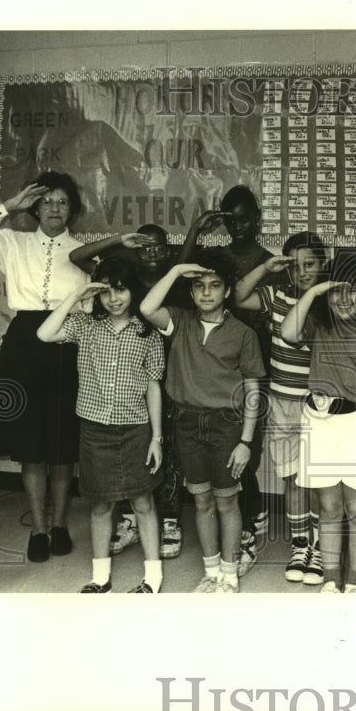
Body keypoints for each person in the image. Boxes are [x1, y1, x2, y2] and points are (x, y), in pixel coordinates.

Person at [0, 172, 90, 563]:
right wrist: (9, 205)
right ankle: (38, 529)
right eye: (46, 201)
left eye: (62, 202)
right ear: (34, 207)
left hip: (67, 344)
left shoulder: (84, 253)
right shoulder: (12, 243)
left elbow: (88, 307)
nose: (54, 208)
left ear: (73, 209)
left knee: (63, 445)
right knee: (32, 446)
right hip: (23, 346)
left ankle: (61, 525)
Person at [36, 257, 165, 593]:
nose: (114, 298)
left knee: (143, 503)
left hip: (136, 428)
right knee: (100, 505)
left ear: (134, 291)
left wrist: (157, 437)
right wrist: (77, 294)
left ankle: (152, 578)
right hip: (95, 430)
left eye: (120, 289)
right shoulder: (85, 325)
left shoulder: (147, 332)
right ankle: (100, 578)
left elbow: (154, 385)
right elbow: (44, 332)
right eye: (106, 291)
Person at [140, 247, 265, 593]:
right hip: (187, 424)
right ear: (191, 291)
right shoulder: (179, 320)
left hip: (227, 425)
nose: (206, 292)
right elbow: (147, 308)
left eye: (214, 285)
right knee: (201, 500)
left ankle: (230, 573)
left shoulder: (243, 334)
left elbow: (253, 390)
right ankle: (211, 573)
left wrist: (245, 442)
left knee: (227, 500)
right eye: (199, 286)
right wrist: (178, 270)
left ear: (227, 290)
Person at [280, 251, 356, 594]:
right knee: (329, 507)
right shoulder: (319, 326)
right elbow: (288, 331)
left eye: (352, 291)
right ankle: (331, 578)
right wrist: (316, 291)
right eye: (336, 291)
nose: (344, 299)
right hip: (319, 422)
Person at [70, 224, 188, 560]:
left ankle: (168, 520)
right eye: (144, 246)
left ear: (169, 251)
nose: (152, 252)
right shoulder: (118, 278)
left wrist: (191, 232)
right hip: (118, 381)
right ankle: (129, 521)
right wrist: (120, 239)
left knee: (161, 454)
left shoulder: (168, 280)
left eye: (159, 247)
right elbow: (75, 256)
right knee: (119, 462)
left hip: (161, 370)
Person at [181, 186, 272, 574]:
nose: (238, 226)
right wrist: (195, 232)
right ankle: (237, 529)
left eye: (245, 218)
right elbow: (178, 278)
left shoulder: (266, 259)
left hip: (251, 355)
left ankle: (248, 527)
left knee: (240, 452)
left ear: (257, 218)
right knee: (218, 458)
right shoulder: (211, 260)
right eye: (230, 219)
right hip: (210, 362)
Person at [232, 231, 329, 586]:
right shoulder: (277, 295)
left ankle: (320, 547)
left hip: (319, 404)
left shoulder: (330, 301)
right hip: (281, 401)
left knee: (319, 479)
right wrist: (265, 267)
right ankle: (300, 544)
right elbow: (238, 297)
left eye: (311, 265)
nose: (303, 273)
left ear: (323, 265)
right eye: (296, 266)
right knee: (292, 477)